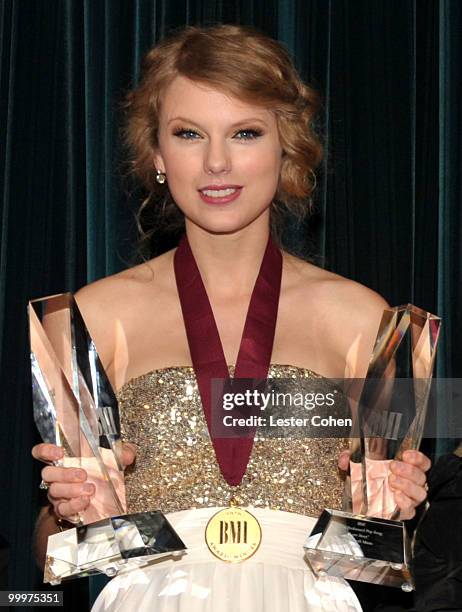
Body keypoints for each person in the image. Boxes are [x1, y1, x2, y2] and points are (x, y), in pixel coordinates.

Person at [32, 25, 430, 611]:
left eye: (245, 132)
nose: (216, 162)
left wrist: (396, 507)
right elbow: (60, 552)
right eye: (188, 134)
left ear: (285, 146)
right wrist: (69, 512)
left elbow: (380, 558)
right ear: (158, 155)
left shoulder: (369, 321)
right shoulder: (86, 318)